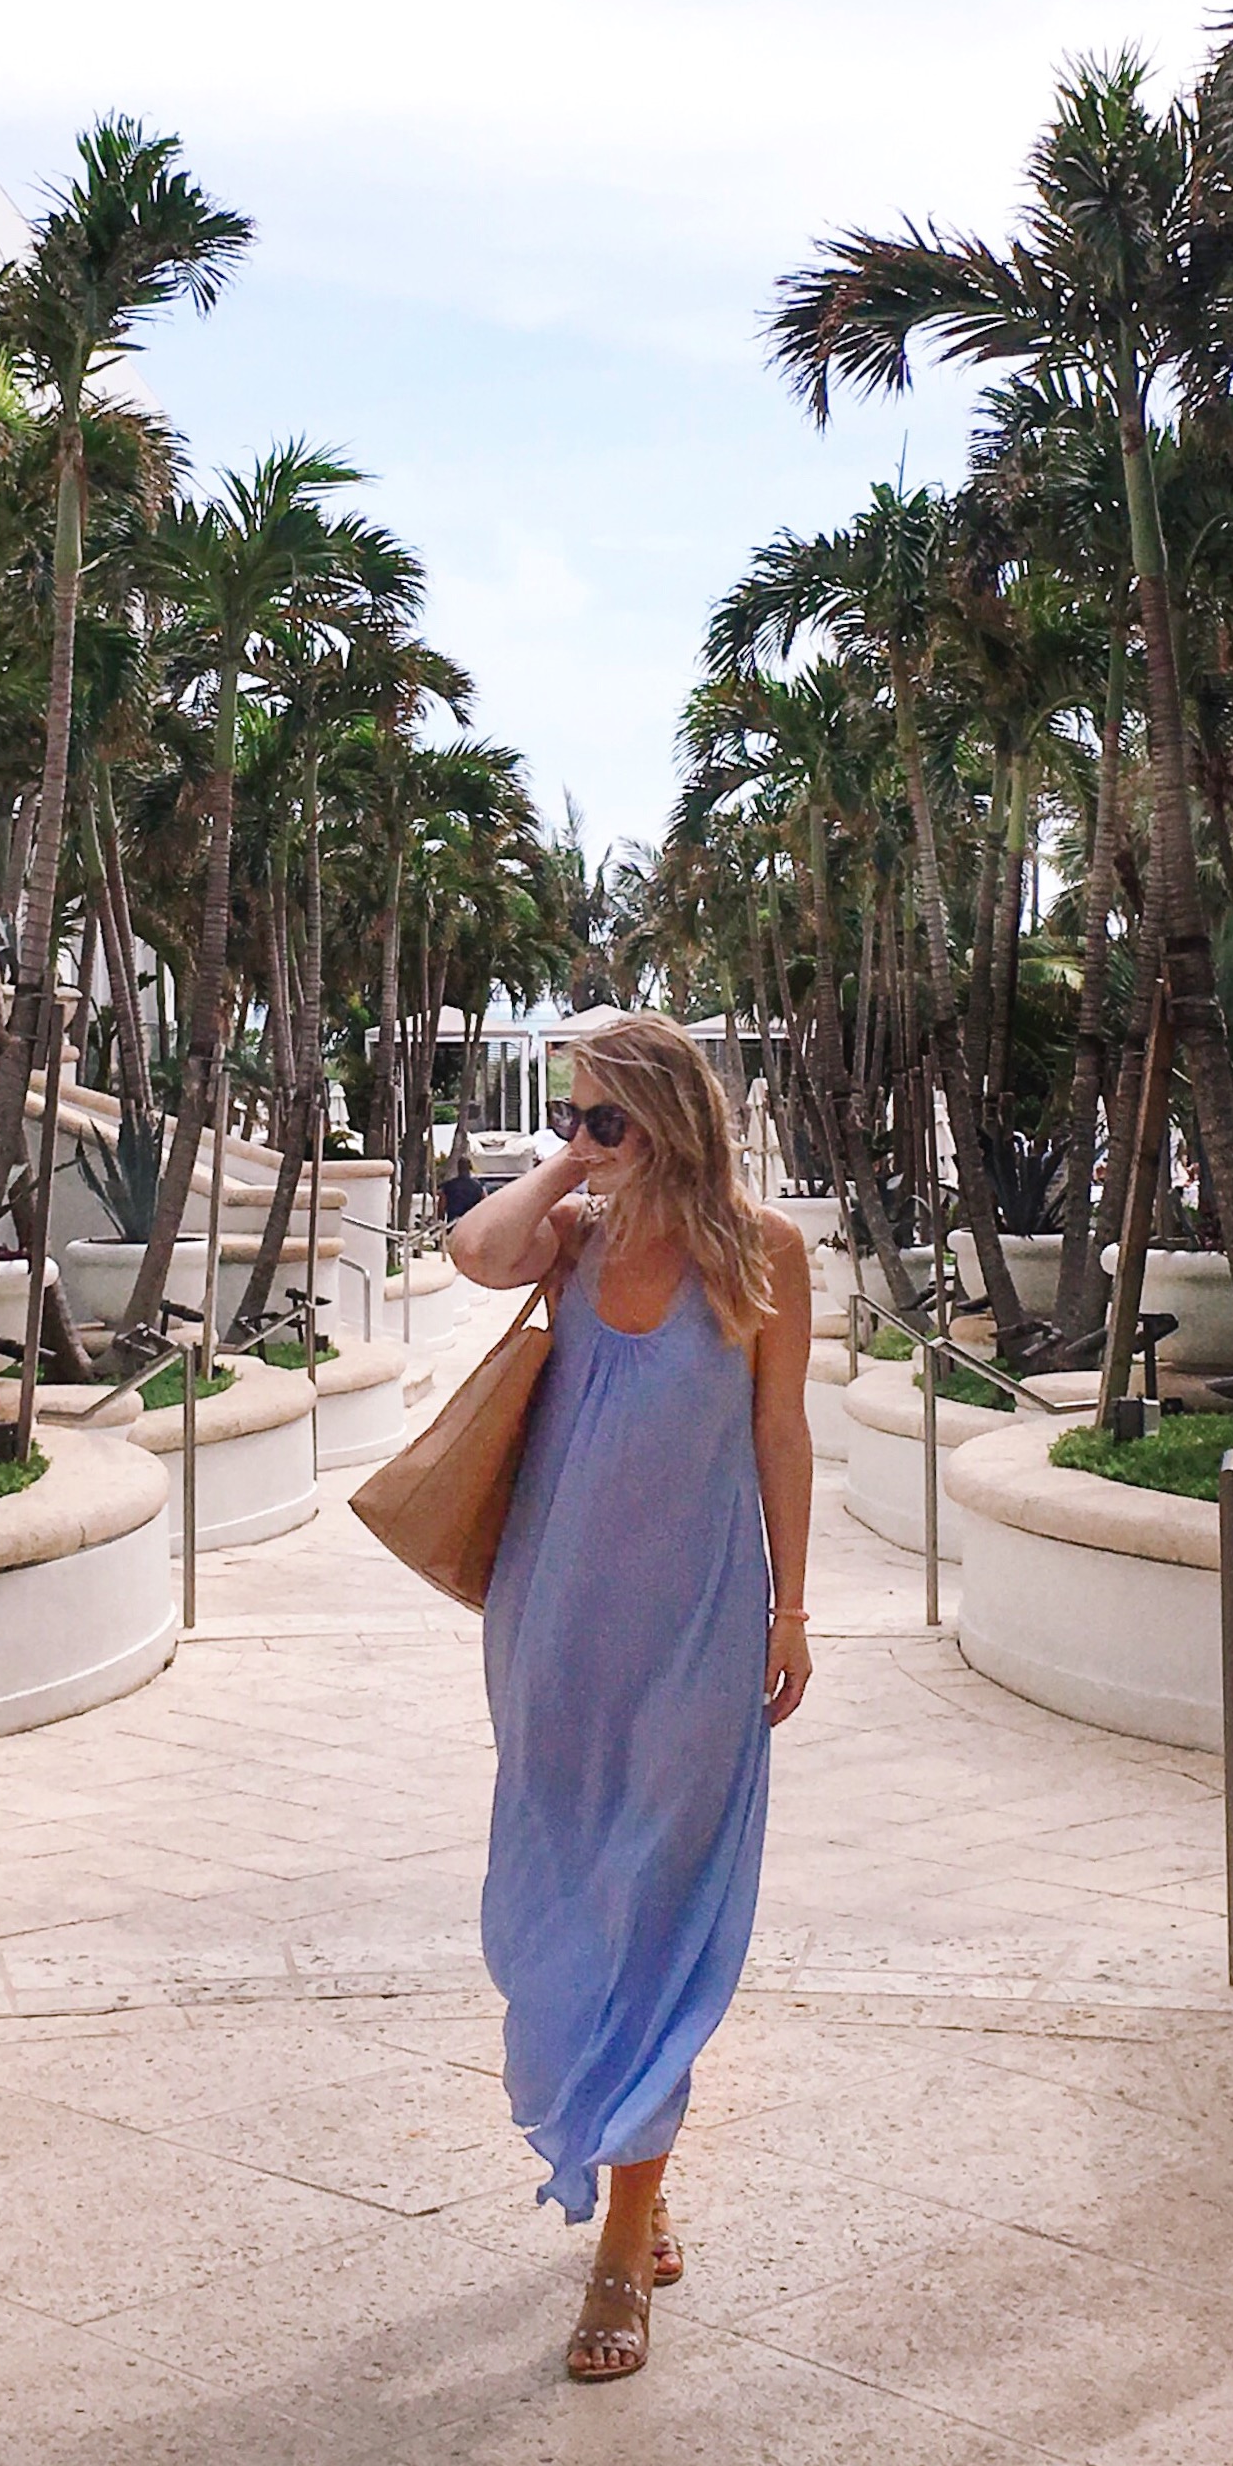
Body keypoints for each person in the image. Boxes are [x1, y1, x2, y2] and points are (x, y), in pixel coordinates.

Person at [450, 1008, 814, 2380]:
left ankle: (620, 2253)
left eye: (604, 1116)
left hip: (696, 1627)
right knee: (564, 1885)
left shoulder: (762, 1252)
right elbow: (474, 1255)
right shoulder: (573, 1239)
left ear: (673, 1113)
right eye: (570, 1115)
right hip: (553, 1621)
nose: (580, 1140)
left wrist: (789, 1609)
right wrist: (564, 1170)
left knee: (658, 1907)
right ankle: (632, 2170)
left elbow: (779, 1433)